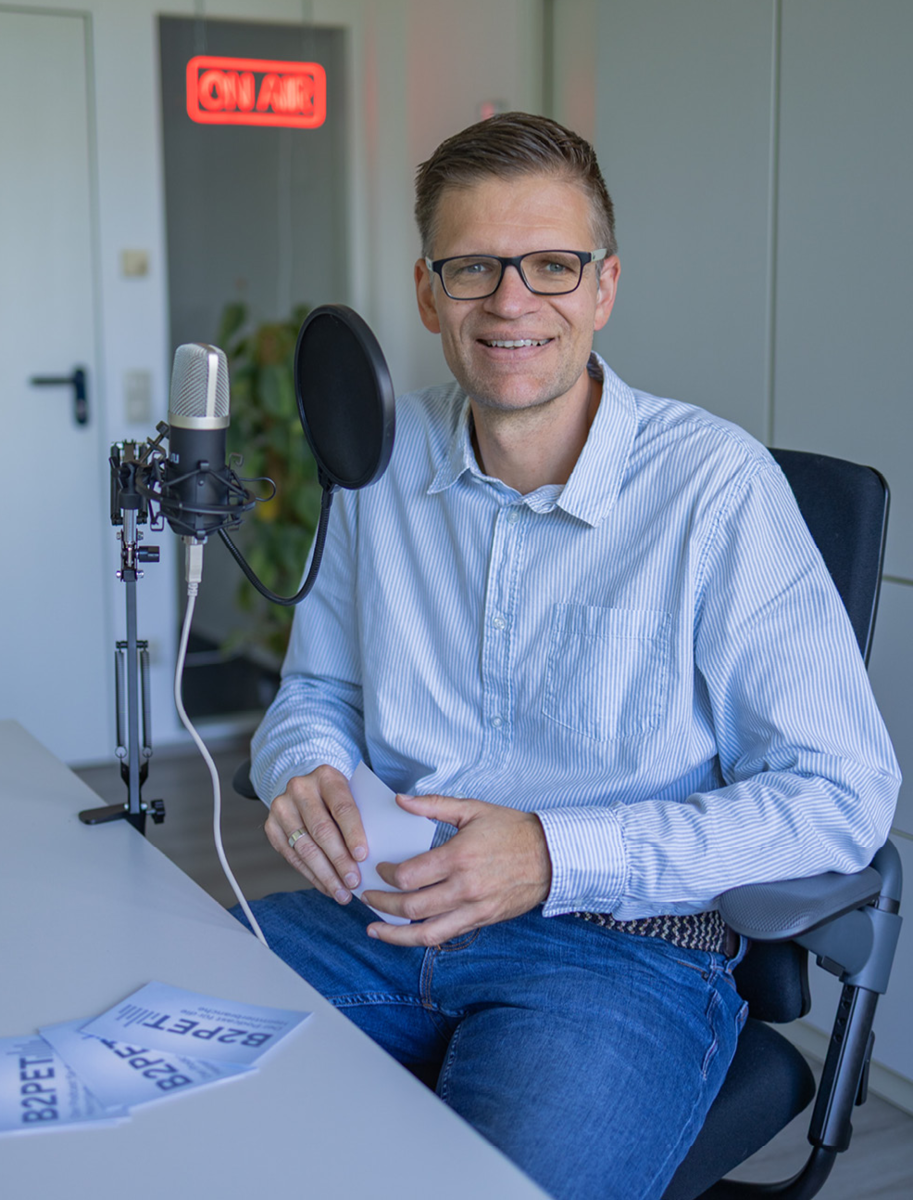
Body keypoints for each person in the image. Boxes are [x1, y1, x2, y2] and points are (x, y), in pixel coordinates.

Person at [236, 112, 900, 1199]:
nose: (511, 302)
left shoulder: (716, 489)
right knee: (134, 1071)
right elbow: (317, 689)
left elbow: (841, 796)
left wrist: (556, 854)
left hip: (619, 954)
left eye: (551, 265)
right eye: (472, 268)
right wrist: (302, 765)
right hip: (383, 916)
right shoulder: (378, 464)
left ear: (603, 288)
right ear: (427, 294)